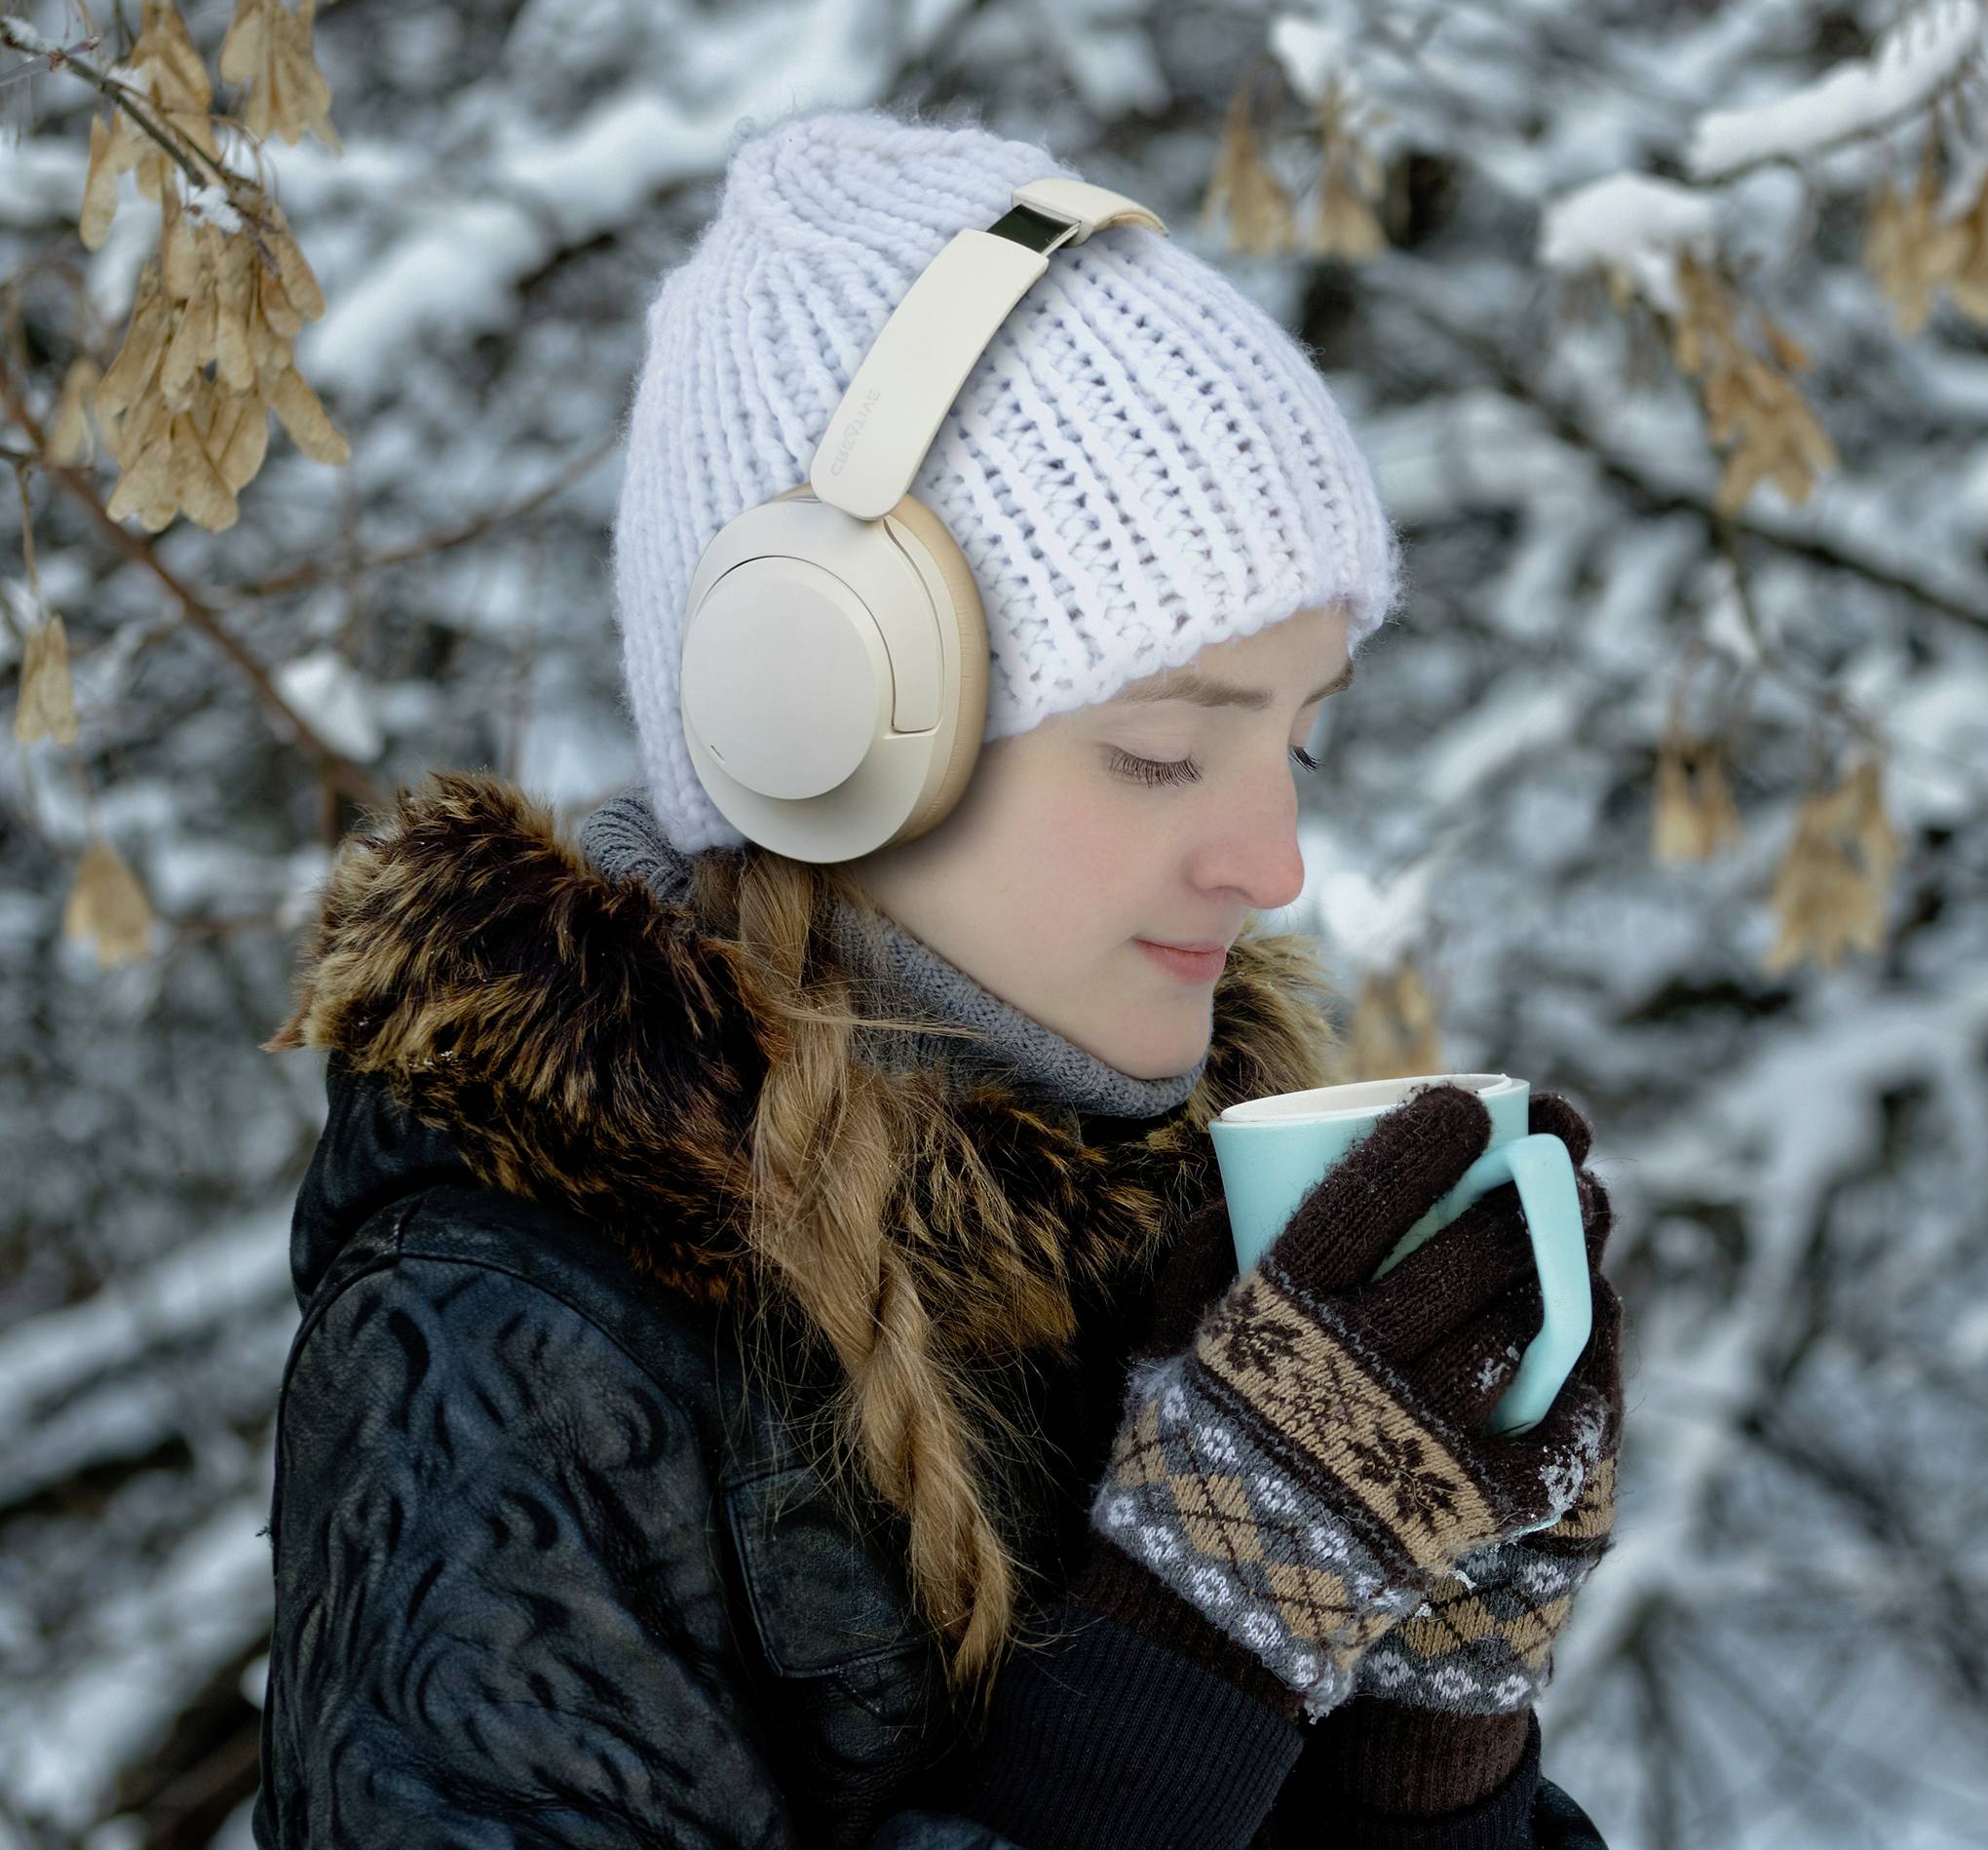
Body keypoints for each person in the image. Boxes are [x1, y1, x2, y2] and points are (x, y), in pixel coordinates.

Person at [248, 106, 1628, 1849]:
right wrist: (1189, 1655)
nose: (1273, 866)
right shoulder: (505, 1342)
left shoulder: (1184, 1272)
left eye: (1301, 745)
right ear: (812, 717)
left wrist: (1428, 1755)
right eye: (1157, 753)